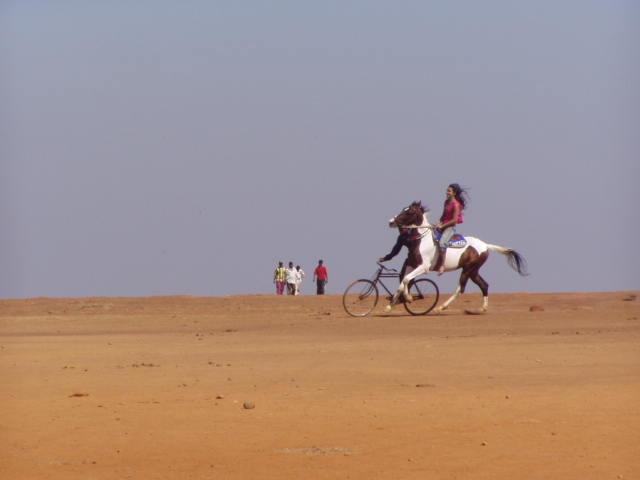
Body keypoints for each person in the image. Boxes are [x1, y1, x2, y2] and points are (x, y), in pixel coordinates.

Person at [435, 183, 468, 275]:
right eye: (447, 190)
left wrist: (443, 226)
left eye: (449, 191)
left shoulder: (456, 205)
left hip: (450, 227)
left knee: (442, 242)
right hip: (443, 226)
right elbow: (444, 215)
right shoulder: (446, 202)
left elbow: (454, 220)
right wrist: (439, 222)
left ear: (454, 193)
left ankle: (443, 265)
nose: (447, 192)